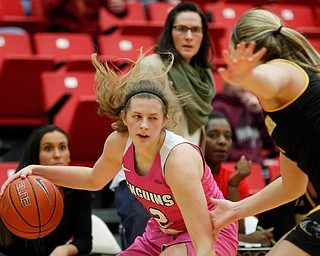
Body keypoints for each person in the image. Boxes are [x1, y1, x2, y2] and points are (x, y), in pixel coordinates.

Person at [1, 52, 238, 256]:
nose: (144, 125)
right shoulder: (118, 142)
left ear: (165, 121)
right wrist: (35, 170)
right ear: (124, 117)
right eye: (137, 117)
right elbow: (93, 180)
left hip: (211, 234)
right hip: (162, 232)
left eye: (153, 118)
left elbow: (204, 241)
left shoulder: (178, 160)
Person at [208, 8, 320, 256]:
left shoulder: (285, 72)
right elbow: (291, 186)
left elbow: (270, 79)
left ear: (240, 47)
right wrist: (234, 210)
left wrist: (248, 76)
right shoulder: (284, 105)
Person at [110, 1, 217, 248]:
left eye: (196, 29)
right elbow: (131, 121)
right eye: (181, 29)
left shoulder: (203, 74)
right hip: (145, 183)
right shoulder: (153, 67)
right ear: (170, 32)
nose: (189, 36)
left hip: (181, 184)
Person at [0, 125, 92, 256]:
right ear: (35, 157)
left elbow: (85, 240)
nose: (57, 155)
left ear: (69, 156)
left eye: (62, 147)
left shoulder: (78, 190)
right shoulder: (17, 190)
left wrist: (65, 249)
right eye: (48, 148)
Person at [205, 111, 274, 246]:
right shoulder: (192, 176)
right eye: (213, 135)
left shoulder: (236, 177)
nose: (222, 142)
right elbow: (193, 231)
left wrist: (233, 184)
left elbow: (237, 231)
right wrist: (245, 239)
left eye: (228, 137)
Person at [212, 82, 279, 181]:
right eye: (238, 80)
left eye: (245, 80)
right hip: (236, 168)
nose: (243, 84)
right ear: (227, 82)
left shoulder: (250, 105)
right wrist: (258, 160)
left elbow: (271, 144)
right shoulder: (219, 108)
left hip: (258, 166)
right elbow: (223, 150)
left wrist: (259, 115)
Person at [43, 0, 127, 39]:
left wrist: (119, 6)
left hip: (92, 37)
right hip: (64, 35)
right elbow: (46, 8)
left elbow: (118, 11)